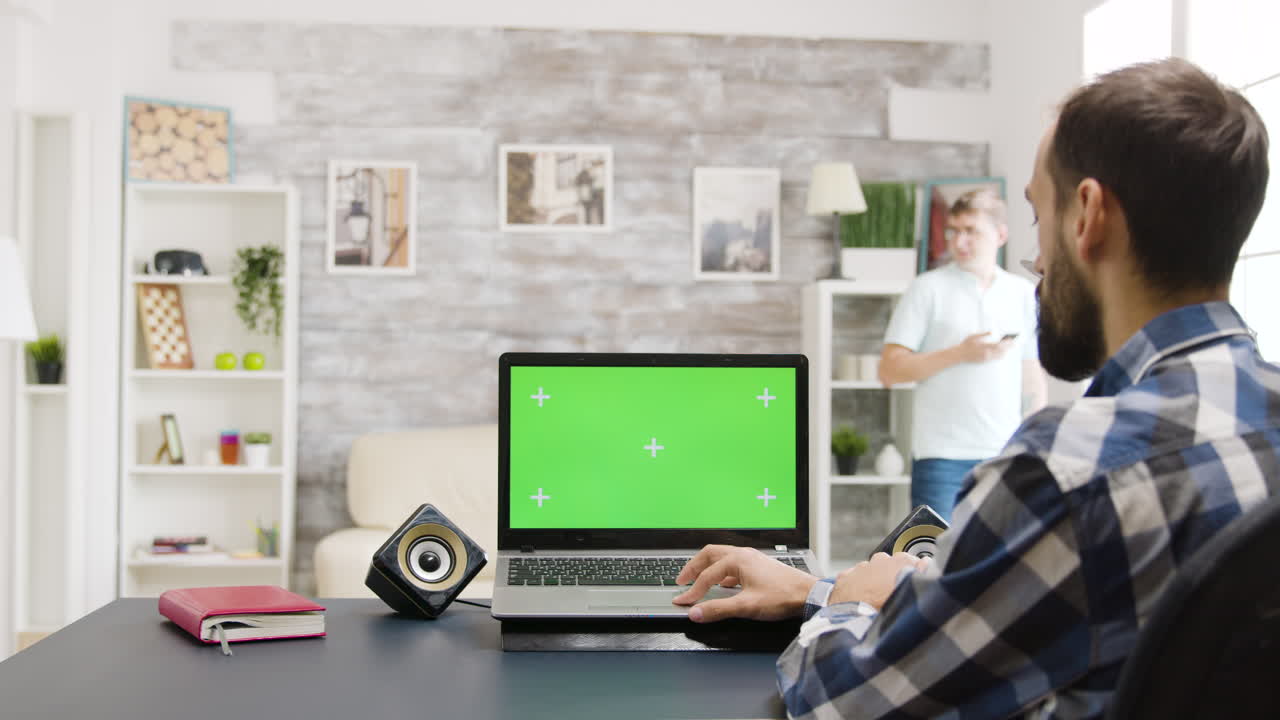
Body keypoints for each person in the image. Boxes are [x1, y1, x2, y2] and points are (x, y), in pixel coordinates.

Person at [673, 57, 1277, 719]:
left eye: (1037, 217)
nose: (1036, 261)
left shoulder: (1067, 474)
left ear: (1088, 215)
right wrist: (820, 588)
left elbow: (842, 702)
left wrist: (847, 600)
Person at [878, 189, 1048, 521]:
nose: (959, 241)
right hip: (940, 457)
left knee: (1002, 550)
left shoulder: (1023, 294)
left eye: (971, 231)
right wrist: (961, 353)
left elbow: (1031, 375)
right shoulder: (926, 289)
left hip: (1005, 453)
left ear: (1000, 235)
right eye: (953, 231)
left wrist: (1034, 442)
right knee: (933, 549)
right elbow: (889, 371)